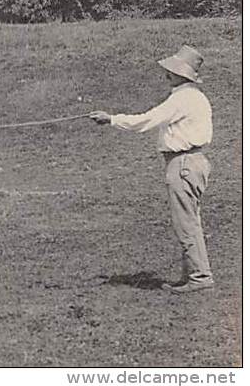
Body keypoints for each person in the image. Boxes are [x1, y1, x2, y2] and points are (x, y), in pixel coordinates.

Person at [89, 45, 214, 294]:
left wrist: (112, 119)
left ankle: (200, 277)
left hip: (182, 164)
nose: (168, 73)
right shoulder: (194, 96)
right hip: (192, 162)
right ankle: (192, 275)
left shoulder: (183, 98)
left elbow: (147, 120)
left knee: (186, 223)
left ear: (184, 75)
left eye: (173, 70)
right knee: (190, 220)